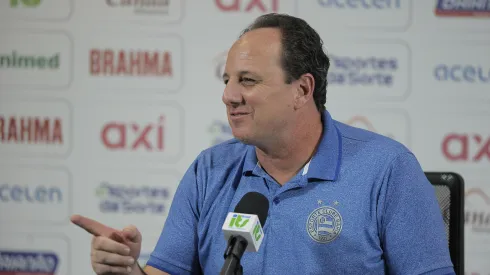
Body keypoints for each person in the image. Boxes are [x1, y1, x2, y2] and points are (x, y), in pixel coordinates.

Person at [71, 13, 455, 275]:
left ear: (303, 89)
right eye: (226, 80)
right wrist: (127, 269)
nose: (229, 95)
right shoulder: (209, 170)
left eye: (248, 81)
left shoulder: (387, 170)